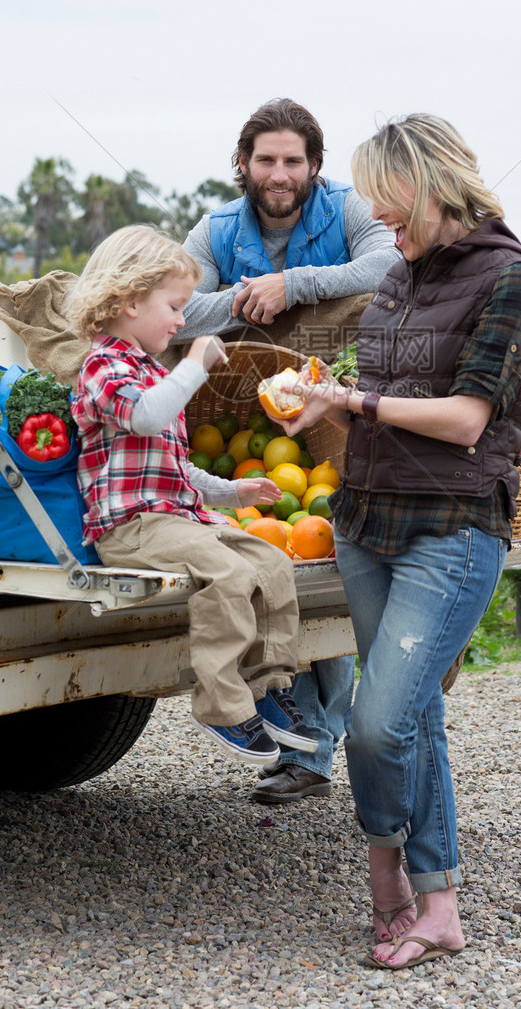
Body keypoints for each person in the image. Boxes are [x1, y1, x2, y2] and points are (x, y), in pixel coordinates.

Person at [276, 114, 521, 970]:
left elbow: (468, 418)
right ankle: (427, 902)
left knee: (375, 725)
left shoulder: (515, 281)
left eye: (394, 209)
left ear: (434, 187)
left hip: (454, 528)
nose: (384, 227)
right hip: (365, 521)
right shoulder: (401, 276)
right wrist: (334, 397)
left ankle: (386, 869)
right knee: (415, 715)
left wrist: (358, 406)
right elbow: (391, 385)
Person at [177, 97, 397, 804]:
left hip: (334, 411)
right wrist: (250, 298)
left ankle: (321, 748)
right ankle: (312, 747)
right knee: (283, 561)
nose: (279, 173)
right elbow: (172, 308)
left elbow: (388, 268)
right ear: (242, 163)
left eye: (292, 161)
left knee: (328, 564)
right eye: (265, 159)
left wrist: (293, 285)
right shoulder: (214, 229)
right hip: (241, 416)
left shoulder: (350, 209)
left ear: (314, 167)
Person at [67, 224, 320, 768]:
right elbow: (145, 415)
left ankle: (266, 688)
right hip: (132, 528)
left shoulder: (152, 371)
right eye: (176, 306)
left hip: (180, 518)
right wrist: (194, 364)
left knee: (272, 564)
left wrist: (233, 490)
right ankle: (222, 708)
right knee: (228, 577)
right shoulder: (101, 368)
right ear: (131, 300)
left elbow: (177, 468)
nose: (184, 320)